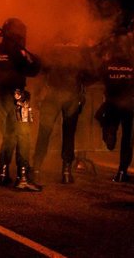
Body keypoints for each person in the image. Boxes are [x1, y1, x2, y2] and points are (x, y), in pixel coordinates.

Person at [0, 18, 42, 191]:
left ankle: (3, 172)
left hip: (0, 95)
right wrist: (31, 57)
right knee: (24, 135)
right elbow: (33, 70)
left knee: (9, 134)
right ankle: (23, 176)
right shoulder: (18, 51)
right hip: (18, 96)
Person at [33, 39, 94, 184]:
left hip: (52, 93)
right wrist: (80, 84)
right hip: (71, 94)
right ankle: (66, 172)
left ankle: (36, 170)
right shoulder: (81, 45)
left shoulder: (51, 44)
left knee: (44, 132)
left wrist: (38, 93)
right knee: (69, 134)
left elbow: (42, 70)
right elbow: (91, 72)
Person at [95, 31, 134, 182]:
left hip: (111, 102)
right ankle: (122, 171)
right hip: (128, 104)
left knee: (106, 120)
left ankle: (109, 132)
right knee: (128, 139)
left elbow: (98, 76)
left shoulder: (108, 63)